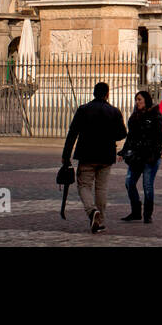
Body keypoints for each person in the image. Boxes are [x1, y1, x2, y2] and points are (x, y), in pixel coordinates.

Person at [61, 82, 128, 234]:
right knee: (101, 188)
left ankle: (92, 212)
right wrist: (109, 134)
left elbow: (72, 133)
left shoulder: (83, 109)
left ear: (93, 93)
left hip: (87, 154)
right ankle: (101, 220)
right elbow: (122, 134)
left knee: (84, 185)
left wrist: (66, 156)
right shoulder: (114, 111)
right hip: (106, 155)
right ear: (107, 94)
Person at [121, 90, 162, 223]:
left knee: (147, 185)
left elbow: (160, 136)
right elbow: (131, 136)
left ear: (146, 100)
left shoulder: (155, 115)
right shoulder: (134, 116)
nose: (137, 102)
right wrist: (124, 151)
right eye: (136, 100)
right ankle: (135, 211)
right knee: (129, 182)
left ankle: (147, 214)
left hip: (150, 157)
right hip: (136, 156)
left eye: (139, 99)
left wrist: (155, 153)